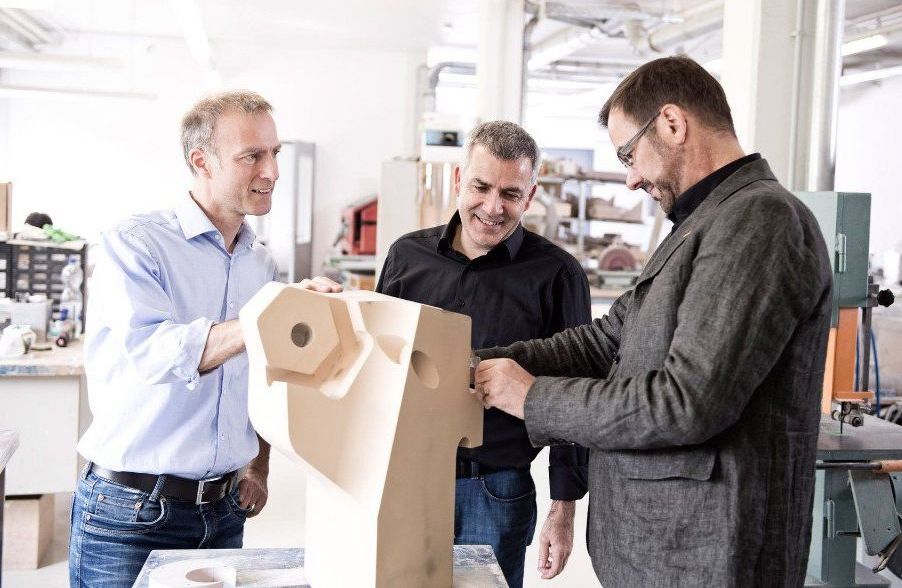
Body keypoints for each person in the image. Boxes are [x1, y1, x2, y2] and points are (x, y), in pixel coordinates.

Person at [474, 56, 834, 586]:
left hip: (704, 558)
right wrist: (471, 361)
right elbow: (603, 341)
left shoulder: (760, 219)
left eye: (629, 154)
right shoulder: (702, 223)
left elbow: (686, 402)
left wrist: (531, 398)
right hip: (664, 553)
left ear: (671, 123)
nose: (631, 178)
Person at [69, 90, 340, 587]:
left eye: (274, 153)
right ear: (202, 161)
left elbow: (261, 376)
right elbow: (152, 354)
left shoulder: (260, 262)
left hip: (222, 512)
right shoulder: (135, 244)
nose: (272, 171)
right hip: (130, 514)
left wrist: (257, 467)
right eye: (251, 156)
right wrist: (270, 314)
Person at [377, 120, 591, 588]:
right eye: (481, 187)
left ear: (530, 197)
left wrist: (563, 509)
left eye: (511, 193)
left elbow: (574, 395)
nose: (493, 207)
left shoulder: (557, 274)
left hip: (497, 487)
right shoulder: (406, 257)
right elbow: (377, 371)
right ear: (460, 180)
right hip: (409, 480)